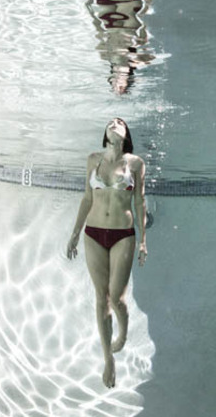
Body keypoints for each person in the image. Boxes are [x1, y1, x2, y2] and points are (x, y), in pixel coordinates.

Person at [67, 118, 148, 388]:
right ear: (105, 134)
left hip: (123, 235)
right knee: (101, 298)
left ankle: (122, 334)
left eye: (119, 122)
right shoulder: (93, 159)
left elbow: (139, 201)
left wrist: (143, 241)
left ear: (125, 134)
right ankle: (108, 360)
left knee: (117, 298)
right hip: (93, 234)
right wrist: (75, 233)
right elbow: (87, 198)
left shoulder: (135, 164)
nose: (114, 123)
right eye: (110, 122)